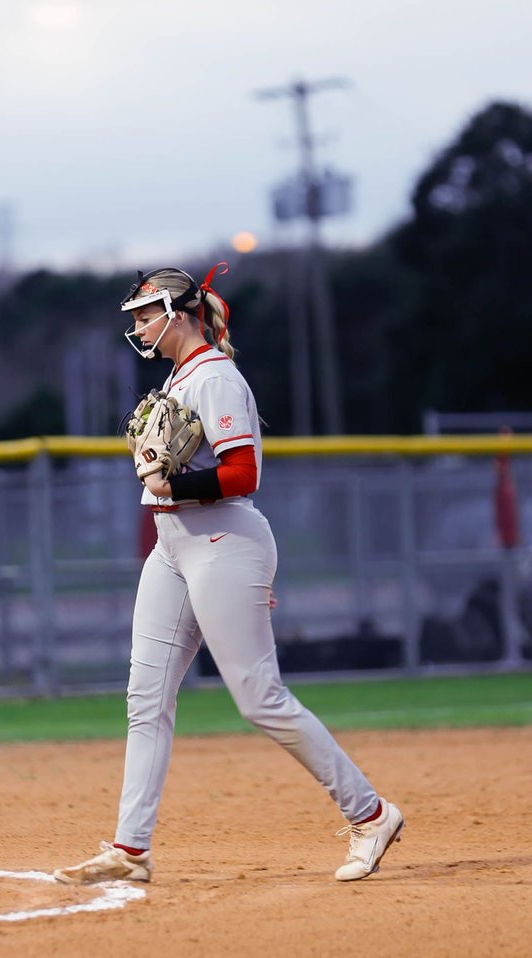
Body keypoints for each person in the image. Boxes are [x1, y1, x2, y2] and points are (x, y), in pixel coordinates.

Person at [54, 264, 404, 886]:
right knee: (145, 698)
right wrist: (167, 481)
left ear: (180, 313)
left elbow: (243, 474)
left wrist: (172, 480)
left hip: (223, 541)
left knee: (258, 696)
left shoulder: (214, 377)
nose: (137, 325)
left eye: (145, 313)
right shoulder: (181, 374)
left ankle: (370, 814)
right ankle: (131, 850)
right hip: (173, 546)